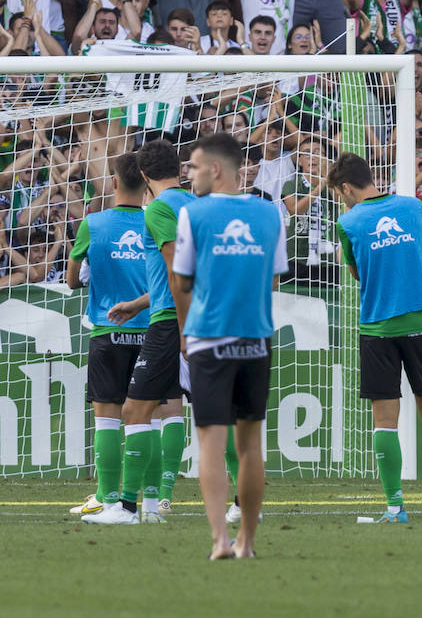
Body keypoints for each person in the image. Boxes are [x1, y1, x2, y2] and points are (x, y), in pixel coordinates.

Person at [170, 132, 285, 559]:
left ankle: (219, 539)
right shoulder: (270, 215)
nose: (191, 175)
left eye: (196, 167)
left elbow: (181, 279)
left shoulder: (192, 214)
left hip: (207, 338)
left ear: (216, 170)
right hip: (255, 338)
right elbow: (274, 279)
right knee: (251, 445)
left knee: (211, 443)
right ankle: (248, 542)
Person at [328, 152, 422, 524]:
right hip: (421, 323)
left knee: (384, 421)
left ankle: (396, 507)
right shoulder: (414, 208)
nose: (341, 199)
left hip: (378, 328)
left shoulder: (347, 222)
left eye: (339, 193)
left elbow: (355, 272)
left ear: (347, 187)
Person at [69, 153, 151, 523]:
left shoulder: (93, 223)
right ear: (146, 183)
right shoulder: (157, 221)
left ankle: (106, 496)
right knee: (145, 418)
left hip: (108, 331)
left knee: (107, 419)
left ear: (114, 183)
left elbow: (72, 280)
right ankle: (148, 501)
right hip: (152, 332)